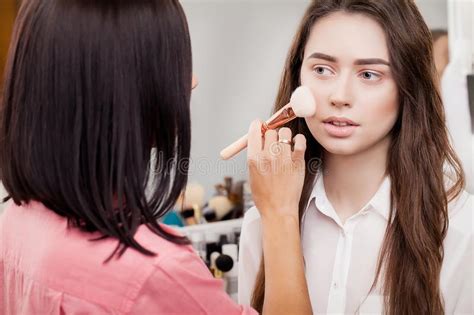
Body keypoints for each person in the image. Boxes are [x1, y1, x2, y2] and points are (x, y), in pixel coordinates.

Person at [0, 0, 311, 314]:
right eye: (174, 63)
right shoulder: (155, 274)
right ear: (119, 91)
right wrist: (280, 212)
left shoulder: (14, 218)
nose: (192, 81)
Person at [239, 1, 473, 314]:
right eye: (322, 70)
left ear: (408, 87)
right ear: (298, 78)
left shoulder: (460, 229)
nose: (340, 96)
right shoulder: (262, 222)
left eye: (369, 74)